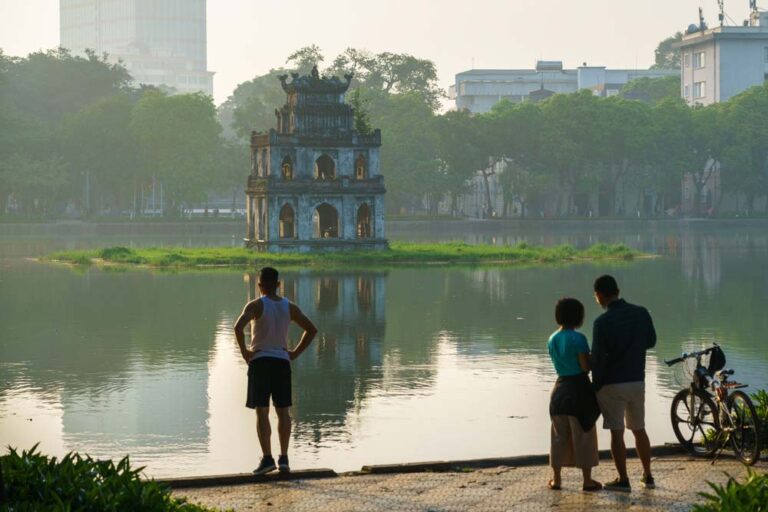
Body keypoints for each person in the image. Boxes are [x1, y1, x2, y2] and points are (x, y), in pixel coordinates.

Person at [234, 267, 318, 475]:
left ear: (260, 285)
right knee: (283, 411)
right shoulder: (289, 307)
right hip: (282, 362)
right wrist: (295, 353)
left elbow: (238, 327)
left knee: (262, 411)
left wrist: (245, 351)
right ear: (278, 285)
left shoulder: (255, 305)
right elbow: (311, 330)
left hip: (260, 361)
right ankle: (284, 458)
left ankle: (267, 458)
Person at [591, 275, 657, 492]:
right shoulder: (641, 312)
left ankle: (623, 479)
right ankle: (648, 475)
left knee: (617, 432)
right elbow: (651, 341)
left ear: (600, 295)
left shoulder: (601, 323)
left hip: (612, 384)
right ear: (618, 290)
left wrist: (596, 386)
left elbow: (598, 358)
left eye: (596, 296)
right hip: (637, 380)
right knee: (639, 429)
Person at [547, 297, 602, 492]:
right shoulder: (578, 339)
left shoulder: (552, 339)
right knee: (584, 435)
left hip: (559, 391)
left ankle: (556, 479)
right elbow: (585, 367)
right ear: (578, 317)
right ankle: (587, 481)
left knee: (558, 437)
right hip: (579, 390)